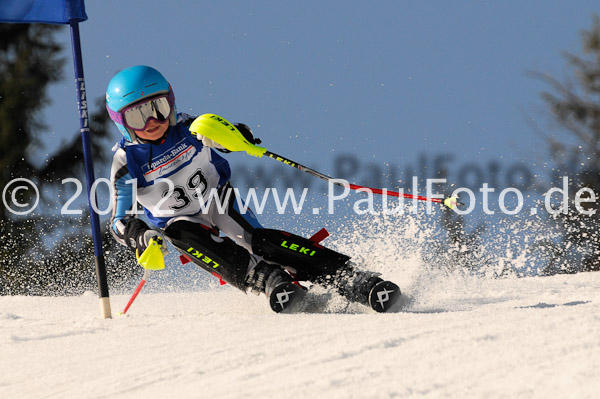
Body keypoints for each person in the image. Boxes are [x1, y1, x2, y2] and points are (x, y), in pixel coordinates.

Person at [106, 65, 400, 312]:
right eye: (137, 116)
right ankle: (267, 279)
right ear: (122, 122)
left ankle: (352, 278)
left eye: (158, 107)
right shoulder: (126, 160)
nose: (152, 121)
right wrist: (140, 236)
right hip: (176, 219)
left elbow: (226, 134)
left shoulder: (192, 127)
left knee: (258, 241)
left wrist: (237, 137)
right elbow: (118, 221)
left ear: (171, 102)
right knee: (183, 234)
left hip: (216, 199)